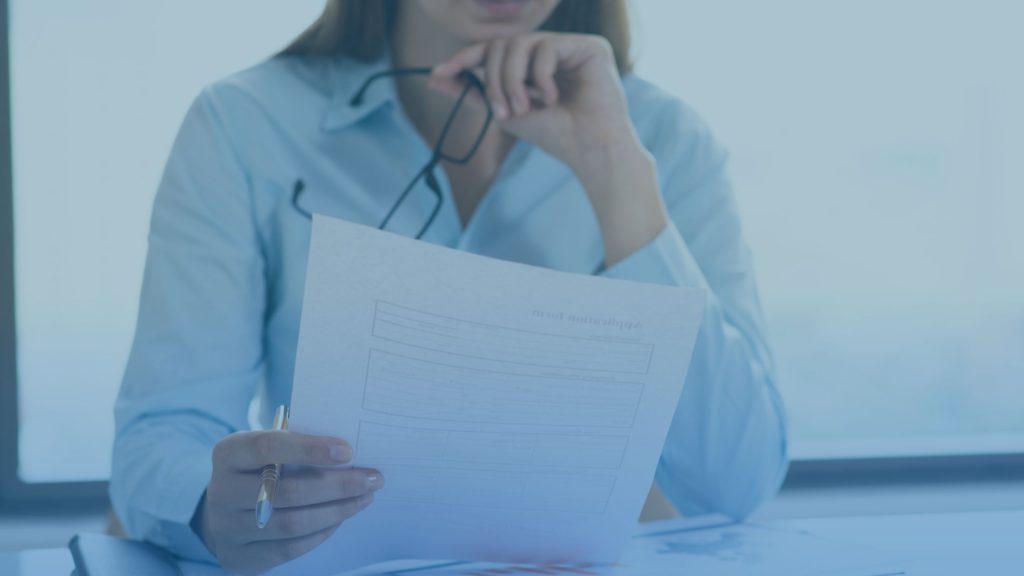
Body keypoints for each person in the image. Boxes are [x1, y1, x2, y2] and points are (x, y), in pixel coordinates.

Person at [110, 0, 789, 574]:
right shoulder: (245, 123)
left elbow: (735, 482)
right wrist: (211, 505)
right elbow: (160, 436)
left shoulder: (663, 137)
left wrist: (615, 167)